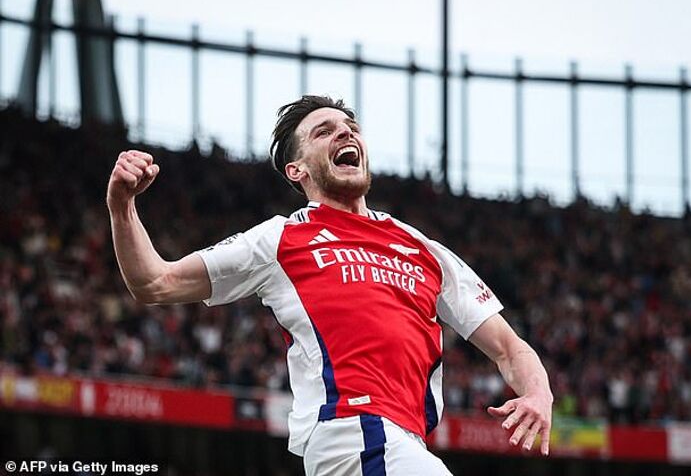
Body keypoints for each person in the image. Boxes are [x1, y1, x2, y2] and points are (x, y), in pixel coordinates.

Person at [107, 95, 553, 475]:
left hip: (406, 440)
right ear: (296, 170)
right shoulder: (279, 239)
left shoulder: (423, 249)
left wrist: (537, 392)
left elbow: (509, 348)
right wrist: (122, 206)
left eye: (350, 127)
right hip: (354, 432)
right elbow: (154, 281)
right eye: (324, 131)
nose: (345, 133)